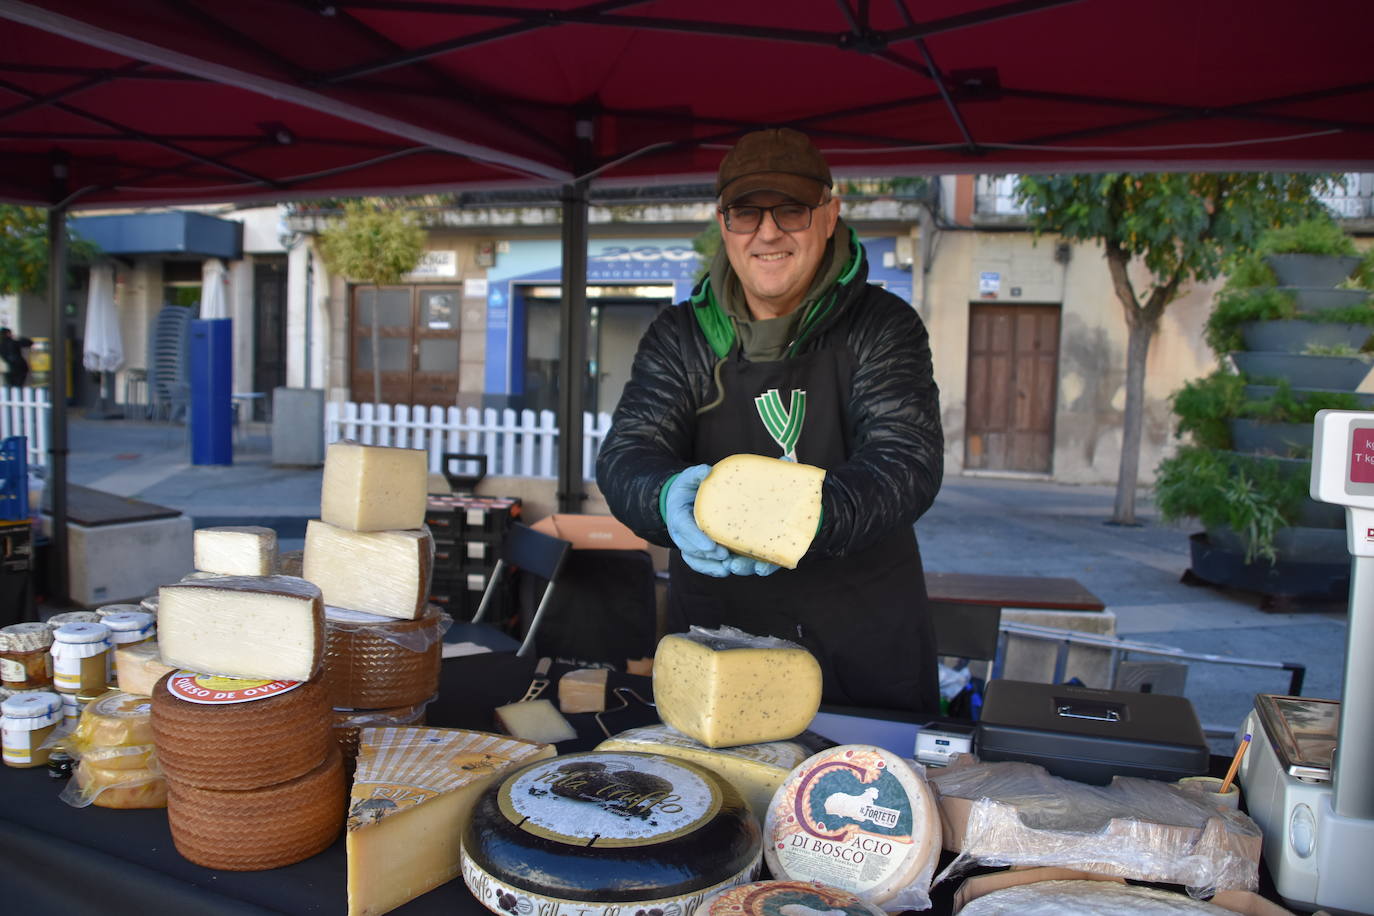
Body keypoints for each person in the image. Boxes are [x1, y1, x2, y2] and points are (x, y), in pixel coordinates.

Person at [596, 128, 944, 713]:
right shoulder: (680, 337)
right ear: (723, 223)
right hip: (717, 648)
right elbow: (629, 453)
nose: (768, 232)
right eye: (746, 213)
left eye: (791, 209)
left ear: (830, 215)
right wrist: (663, 499)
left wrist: (799, 519)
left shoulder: (884, 326)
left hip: (861, 645)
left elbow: (905, 460)